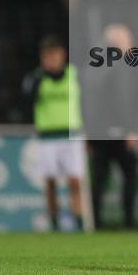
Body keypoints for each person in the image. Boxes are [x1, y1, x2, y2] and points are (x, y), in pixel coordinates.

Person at [22, 36, 91, 232]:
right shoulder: (36, 78)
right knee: (50, 181)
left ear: (63, 55)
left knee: (75, 180)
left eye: (55, 55)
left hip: (72, 134)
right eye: (48, 56)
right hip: (48, 136)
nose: (52, 60)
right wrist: (37, 80)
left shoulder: (74, 74)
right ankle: (54, 223)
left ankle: (79, 223)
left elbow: (86, 102)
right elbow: (25, 101)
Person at [88, 24, 138, 230]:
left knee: (99, 178)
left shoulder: (93, 63)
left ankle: (95, 224)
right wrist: (129, 128)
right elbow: (123, 99)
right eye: (128, 39)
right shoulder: (120, 65)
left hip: (97, 131)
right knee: (130, 174)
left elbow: (88, 100)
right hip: (116, 130)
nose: (131, 43)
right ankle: (129, 222)